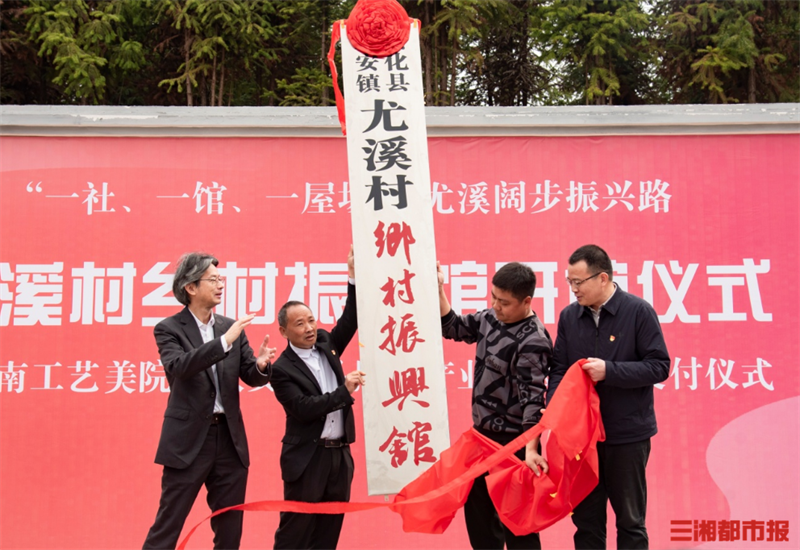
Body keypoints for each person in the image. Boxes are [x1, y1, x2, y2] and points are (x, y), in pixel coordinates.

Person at [143, 252, 275, 550]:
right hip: (188, 441)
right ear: (190, 287)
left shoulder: (230, 327)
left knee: (229, 530)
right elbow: (179, 367)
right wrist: (225, 341)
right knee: (168, 525)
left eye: (221, 279)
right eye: (213, 280)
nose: (220, 285)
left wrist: (261, 365)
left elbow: (250, 375)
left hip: (229, 439)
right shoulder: (169, 328)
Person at [547, 244, 670, 550]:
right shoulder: (569, 317)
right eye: (570, 282)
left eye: (579, 282)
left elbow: (659, 366)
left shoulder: (638, 311)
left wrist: (610, 371)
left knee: (630, 521)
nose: (573, 289)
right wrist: (555, 410)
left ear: (603, 278)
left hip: (626, 435)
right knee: (586, 523)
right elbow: (559, 369)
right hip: (582, 439)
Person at [437, 261, 552, 550]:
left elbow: (533, 400)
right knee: (480, 524)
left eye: (504, 302)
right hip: (481, 441)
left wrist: (531, 450)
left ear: (526, 301)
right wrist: (439, 289)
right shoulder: (490, 318)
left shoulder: (533, 340)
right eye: (493, 297)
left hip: (513, 446)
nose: (496, 306)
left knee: (518, 528)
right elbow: (453, 327)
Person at [271, 246, 366, 550]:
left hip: (339, 456)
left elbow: (351, 318)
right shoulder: (281, 369)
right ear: (284, 331)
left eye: (311, 320)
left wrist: (352, 276)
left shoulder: (326, 343)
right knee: (295, 534)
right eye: (300, 324)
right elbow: (303, 409)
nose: (310, 328)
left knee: (328, 534)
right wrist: (344, 392)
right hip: (307, 458)